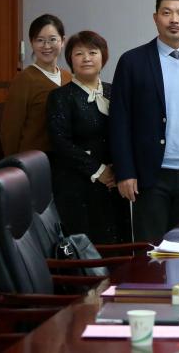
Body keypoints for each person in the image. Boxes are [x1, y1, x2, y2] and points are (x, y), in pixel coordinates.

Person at [109, 0, 179, 243]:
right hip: (149, 176)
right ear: (155, 18)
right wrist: (125, 172)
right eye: (167, 13)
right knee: (150, 251)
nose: (174, 20)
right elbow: (119, 121)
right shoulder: (132, 61)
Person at [46, 31, 130, 244]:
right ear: (70, 60)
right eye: (79, 54)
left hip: (114, 185)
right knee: (86, 249)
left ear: (103, 57)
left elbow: (127, 133)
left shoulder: (115, 92)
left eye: (93, 52)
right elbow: (60, 143)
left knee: (118, 246)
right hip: (77, 185)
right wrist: (99, 171)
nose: (86, 58)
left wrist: (119, 170)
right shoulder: (60, 97)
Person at [0, 14, 72, 156]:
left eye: (52, 39)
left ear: (63, 41)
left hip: (64, 160)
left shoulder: (68, 77)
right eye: (40, 40)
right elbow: (10, 130)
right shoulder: (24, 79)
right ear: (32, 42)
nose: (46, 46)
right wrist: (14, 163)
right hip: (32, 161)